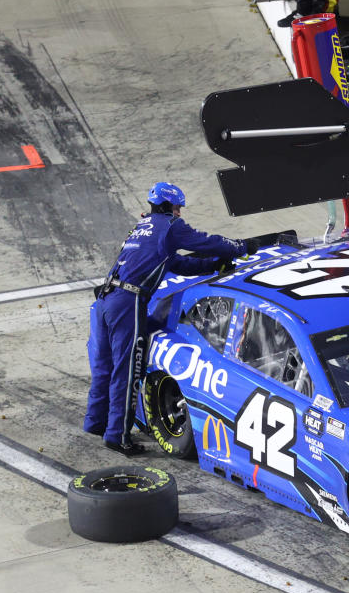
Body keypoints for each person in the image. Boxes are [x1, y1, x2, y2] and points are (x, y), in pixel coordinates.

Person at [84, 182, 254, 456]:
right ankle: (117, 436)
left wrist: (211, 265)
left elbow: (175, 264)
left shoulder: (143, 227)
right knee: (128, 371)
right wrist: (241, 247)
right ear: (167, 206)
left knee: (104, 366)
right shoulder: (170, 226)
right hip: (128, 302)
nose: (179, 213)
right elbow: (207, 241)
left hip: (105, 298)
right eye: (177, 207)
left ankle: (95, 422)